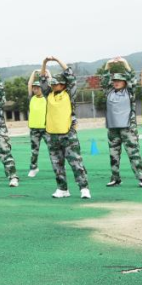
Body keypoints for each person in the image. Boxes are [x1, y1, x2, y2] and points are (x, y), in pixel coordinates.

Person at [39, 56, 90, 199]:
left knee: (76, 163)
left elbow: (70, 75)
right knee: (57, 164)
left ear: (64, 85)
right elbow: (42, 79)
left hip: (68, 135)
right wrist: (44, 63)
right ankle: (62, 189)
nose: (54, 86)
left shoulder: (69, 94)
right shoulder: (48, 94)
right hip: (52, 135)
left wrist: (57, 60)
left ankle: (84, 188)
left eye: (58, 84)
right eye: (53, 84)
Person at [101, 57, 142, 188]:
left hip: (128, 128)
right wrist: (108, 64)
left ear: (125, 82)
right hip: (113, 129)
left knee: (133, 153)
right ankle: (115, 178)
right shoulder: (108, 92)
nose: (116, 83)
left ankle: (141, 178)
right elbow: (104, 80)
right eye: (115, 81)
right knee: (113, 155)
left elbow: (132, 77)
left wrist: (124, 63)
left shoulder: (129, 92)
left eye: (119, 81)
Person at [25, 70, 48, 177]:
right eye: (34, 88)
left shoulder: (47, 97)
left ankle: (59, 165)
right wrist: (33, 73)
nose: (35, 89)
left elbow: (50, 82)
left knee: (53, 149)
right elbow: (29, 84)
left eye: (37, 88)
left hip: (47, 129)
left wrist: (47, 72)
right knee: (34, 150)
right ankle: (34, 168)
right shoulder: (31, 98)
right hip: (34, 129)